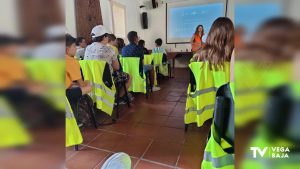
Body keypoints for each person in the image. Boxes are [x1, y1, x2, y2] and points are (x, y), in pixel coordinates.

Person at [84, 25, 132, 102]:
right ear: (104, 37)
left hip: (91, 79)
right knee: (128, 76)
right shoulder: (110, 49)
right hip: (106, 80)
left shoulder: (87, 48)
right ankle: (118, 98)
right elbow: (116, 67)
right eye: (107, 36)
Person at [65, 34, 92, 109]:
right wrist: (87, 83)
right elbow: (82, 84)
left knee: (74, 85)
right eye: (74, 46)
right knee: (89, 87)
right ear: (67, 49)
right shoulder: (71, 61)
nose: (76, 49)